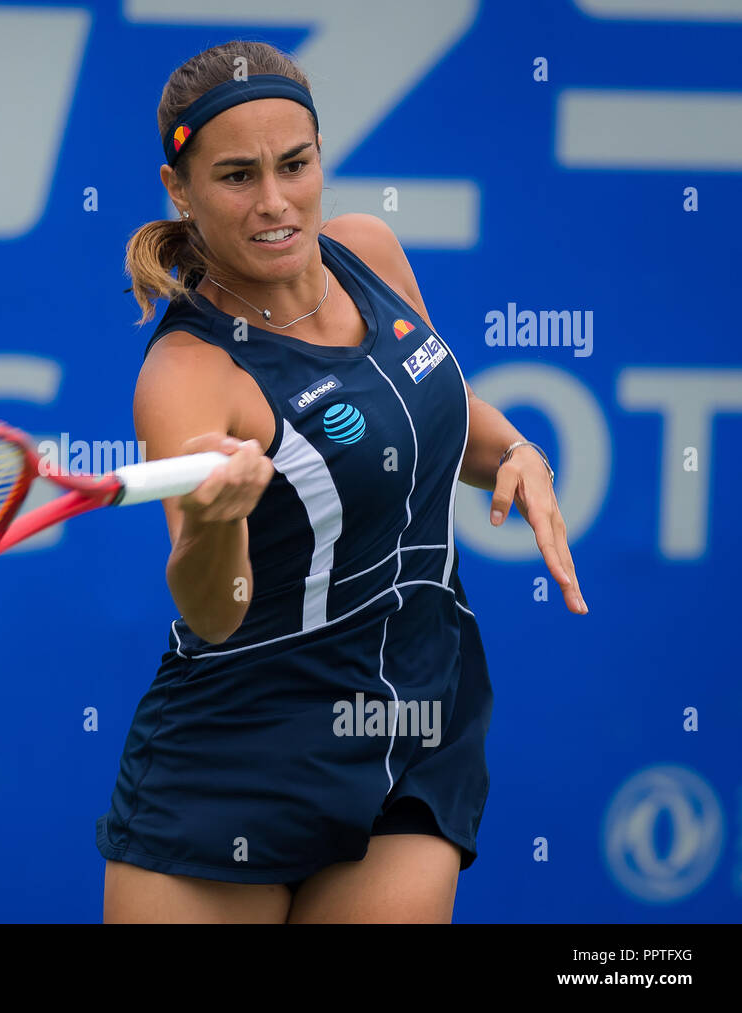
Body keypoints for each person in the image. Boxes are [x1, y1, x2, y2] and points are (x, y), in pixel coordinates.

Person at [96, 40, 586, 924]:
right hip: (236, 757)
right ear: (181, 190)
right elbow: (214, 609)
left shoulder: (368, 249)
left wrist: (517, 452)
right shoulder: (187, 374)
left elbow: (432, 405)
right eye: (237, 176)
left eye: (295, 164)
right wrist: (214, 524)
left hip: (411, 728)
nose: (276, 202)